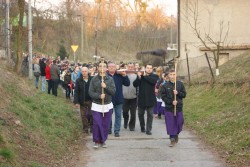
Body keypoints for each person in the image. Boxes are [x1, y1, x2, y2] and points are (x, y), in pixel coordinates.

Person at [89, 62, 116, 148]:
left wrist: (106, 87)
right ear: (97, 68)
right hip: (97, 105)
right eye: (100, 66)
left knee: (105, 124)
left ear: (106, 68)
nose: (102, 68)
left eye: (104, 66)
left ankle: (103, 140)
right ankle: (97, 140)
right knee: (97, 123)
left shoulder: (110, 79)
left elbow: (113, 91)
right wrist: (99, 96)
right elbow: (90, 92)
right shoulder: (94, 79)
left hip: (107, 105)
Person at [161, 69, 186, 147]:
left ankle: (176, 134)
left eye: (174, 74)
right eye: (171, 74)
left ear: (176, 75)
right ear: (168, 75)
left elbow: (184, 94)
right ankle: (172, 139)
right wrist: (171, 102)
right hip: (169, 108)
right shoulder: (165, 85)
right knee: (171, 124)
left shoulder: (180, 84)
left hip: (178, 107)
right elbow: (163, 97)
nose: (172, 76)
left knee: (180, 122)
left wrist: (178, 93)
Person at [133, 64, 158, 135]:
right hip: (142, 99)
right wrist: (138, 77)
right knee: (140, 114)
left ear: (152, 69)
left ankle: (148, 129)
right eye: (148, 68)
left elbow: (153, 82)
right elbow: (135, 84)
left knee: (150, 115)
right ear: (145, 69)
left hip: (150, 99)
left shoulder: (154, 76)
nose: (149, 69)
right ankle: (142, 126)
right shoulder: (141, 76)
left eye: (150, 68)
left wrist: (144, 76)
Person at [107, 62, 130, 137]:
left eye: (113, 67)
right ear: (108, 67)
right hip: (108, 99)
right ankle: (108, 129)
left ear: (116, 68)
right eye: (110, 67)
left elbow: (127, 83)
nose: (111, 68)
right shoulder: (105, 76)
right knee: (108, 115)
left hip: (118, 98)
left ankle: (116, 131)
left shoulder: (119, 75)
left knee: (118, 115)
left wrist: (125, 76)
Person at [74, 67, 93, 134]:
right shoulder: (79, 80)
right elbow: (76, 91)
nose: (84, 73)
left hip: (91, 100)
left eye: (85, 71)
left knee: (91, 114)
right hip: (82, 100)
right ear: (81, 72)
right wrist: (76, 101)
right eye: (83, 71)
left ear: (88, 72)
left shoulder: (92, 79)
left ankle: (92, 127)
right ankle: (85, 128)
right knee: (83, 115)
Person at [122, 62, 137, 131]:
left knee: (133, 113)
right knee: (125, 112)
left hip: (134, 97)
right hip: (124, 97)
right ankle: (125, 121)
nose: (130, 68)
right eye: (129, 67)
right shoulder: (123, 75)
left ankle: (132, 126)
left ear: (133, 68)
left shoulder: (136, 75)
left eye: (132, 67)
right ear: (127, 67)